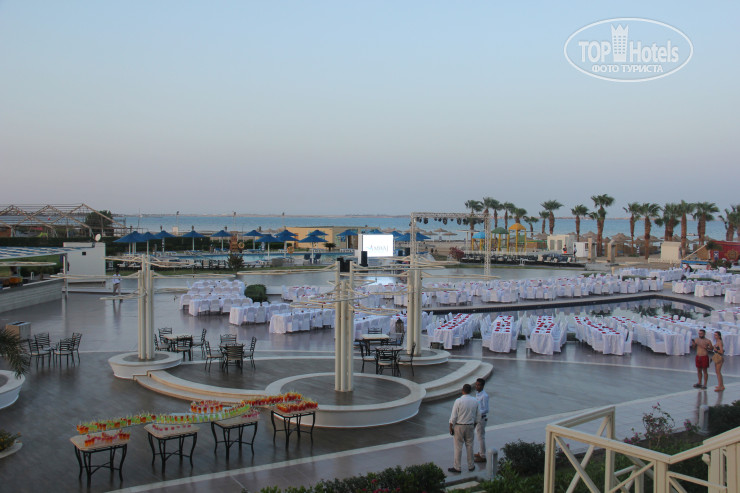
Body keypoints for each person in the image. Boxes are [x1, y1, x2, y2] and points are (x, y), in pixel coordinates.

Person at [448, 383, 480, 473]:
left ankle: (457, 467)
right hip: (470, 425)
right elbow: (478, 415)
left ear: (462, 390)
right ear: (470, 391)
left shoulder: (458, 401)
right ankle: (471, 466)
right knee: (470, 446)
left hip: (459, 426)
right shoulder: (475, 401)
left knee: (458, 447)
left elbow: (454, 416)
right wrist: (474, 425)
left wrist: (451, 426)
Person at [473, 378, 490, 463]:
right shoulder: (477, 394)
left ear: (482, 386)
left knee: (481, 437)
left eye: (478, 385)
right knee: (478, 436)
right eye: (476, 385)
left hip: (482, 418)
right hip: (478, 418)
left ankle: (483, 456)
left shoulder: (484, 396)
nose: (477, 386)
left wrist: (478, 412)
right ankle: (480, 452)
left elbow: (486, 409)